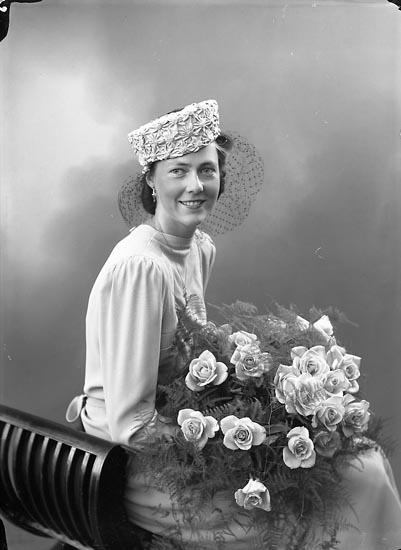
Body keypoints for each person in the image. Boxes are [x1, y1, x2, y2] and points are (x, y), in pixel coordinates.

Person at [66, 100, 401, 550]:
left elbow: (187, 361)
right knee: (355, 484)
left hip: (177, 432)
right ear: (150, 179)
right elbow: (130, 424)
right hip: (135, 467)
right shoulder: (142, 267)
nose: (196, 186)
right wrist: (245, 447)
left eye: (207, 170)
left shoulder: (198, 248)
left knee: (365, 460)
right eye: (178, 171)